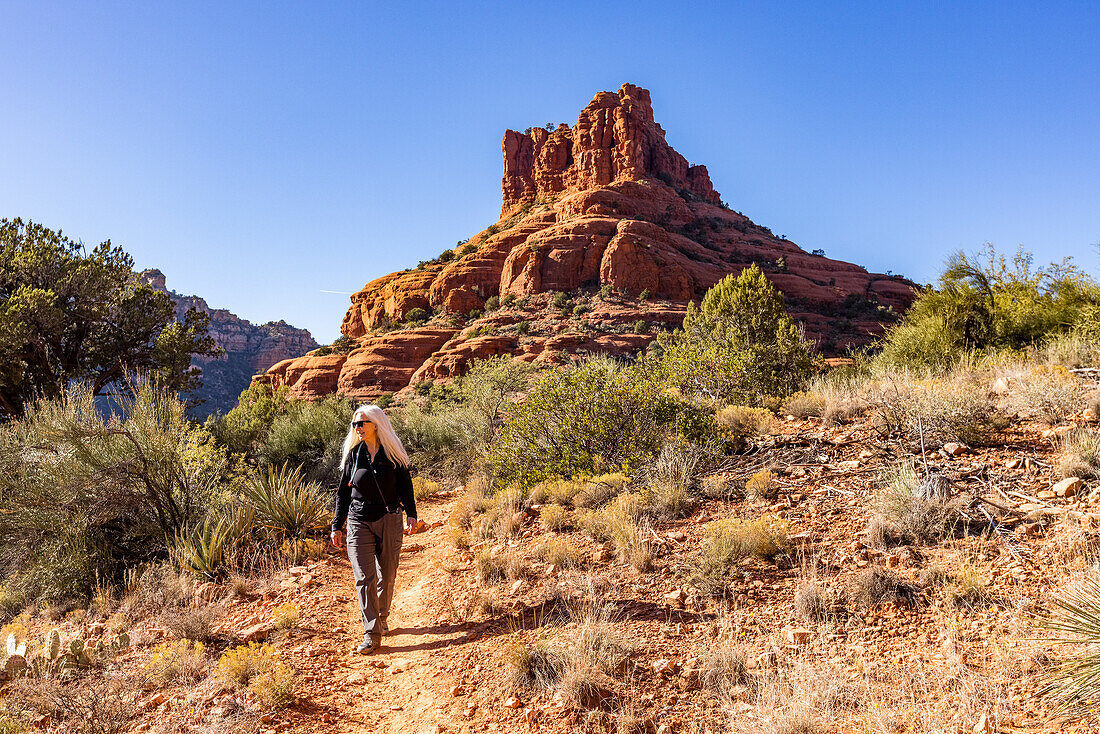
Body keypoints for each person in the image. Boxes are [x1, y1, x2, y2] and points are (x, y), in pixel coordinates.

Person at [330, 404, 417, 654]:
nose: (357, 428)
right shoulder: (353, 456)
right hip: (358, 521)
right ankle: (372, 632)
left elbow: (406, 486)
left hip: (389, 518)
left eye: (362, 423)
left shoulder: (393, 454)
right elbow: (342, 494)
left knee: (387, 574)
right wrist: (337, 525)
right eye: (354, 424)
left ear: (376, 425)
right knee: (364, 578)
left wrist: (411, 514)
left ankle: (381, 615)